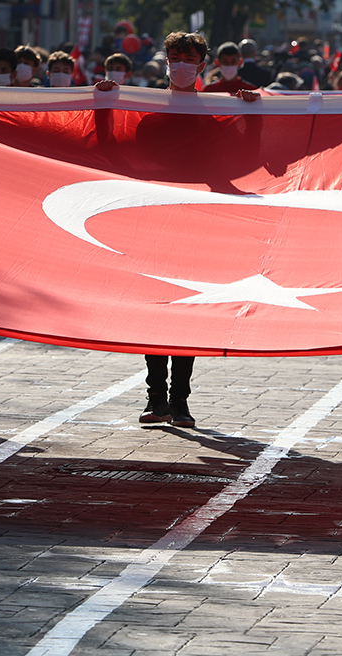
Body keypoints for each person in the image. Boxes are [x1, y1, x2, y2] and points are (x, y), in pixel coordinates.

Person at [95, 30, 255, 425]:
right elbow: (117, 154)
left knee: (188, 313)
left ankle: (180, 399)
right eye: (175, 58)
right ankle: (155, 397)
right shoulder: (146, 112)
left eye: (189, 59)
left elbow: (244, 159)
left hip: (198, 226)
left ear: (202, 66)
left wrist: (253, 116)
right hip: (155, 223)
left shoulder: (216, 116)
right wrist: (104, 103)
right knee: (155, 311)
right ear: (166, 63)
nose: (181, 65)